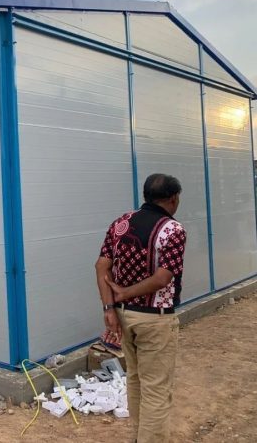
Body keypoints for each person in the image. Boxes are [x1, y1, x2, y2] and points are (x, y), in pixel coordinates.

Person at [95, 173, 186, 443]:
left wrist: (109, 307)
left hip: (124, 316)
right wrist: (126, 292)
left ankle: (138, 436)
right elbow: (163, 278)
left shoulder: (121, 224)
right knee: (156, 388)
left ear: (146, 195)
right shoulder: (173, 230)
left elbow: (101, 266)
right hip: (155, 320)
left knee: (135, 379)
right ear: (173, 198)